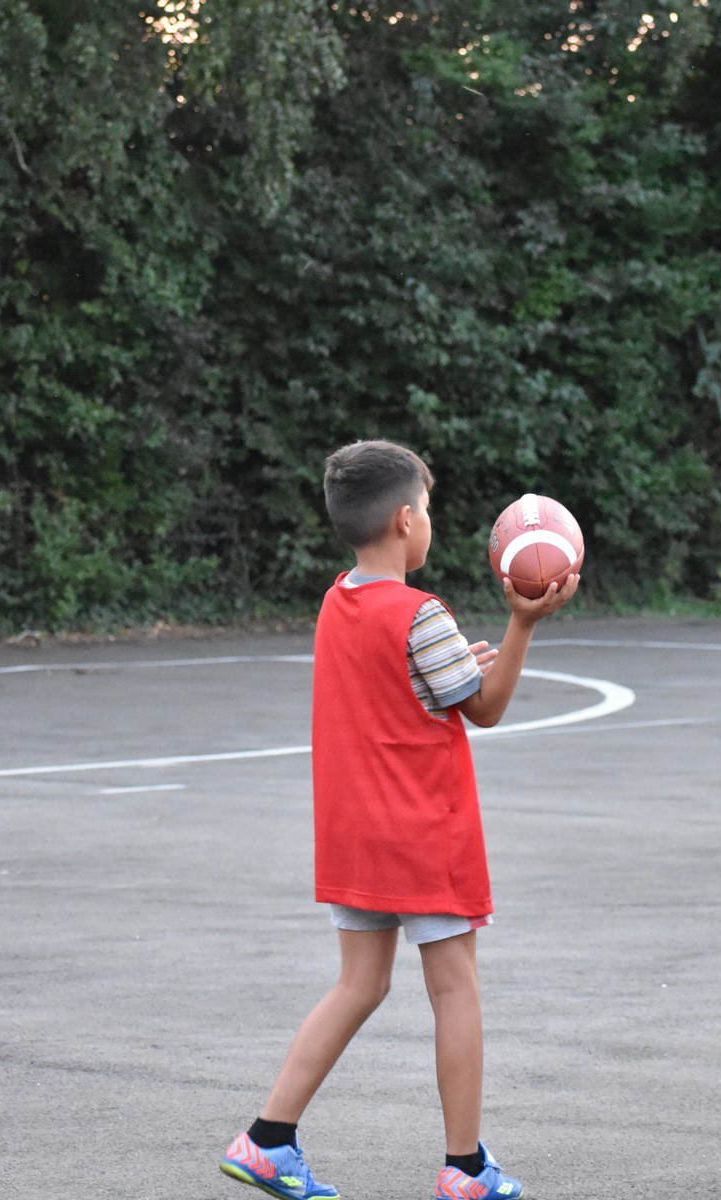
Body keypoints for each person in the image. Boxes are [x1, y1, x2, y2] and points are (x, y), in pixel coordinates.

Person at [219, 440, 577, 1200]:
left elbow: (403, 689)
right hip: (423, 832)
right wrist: (522, 624)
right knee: (455, 990)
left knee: (358, 984)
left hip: (354, 833)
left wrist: (448, 668)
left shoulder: (337, 602)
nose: (432, 521)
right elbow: (485, 709)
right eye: (430, 508)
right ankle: (466, 1168)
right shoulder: (422, 613)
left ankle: (267, 1138)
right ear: (407, 520)